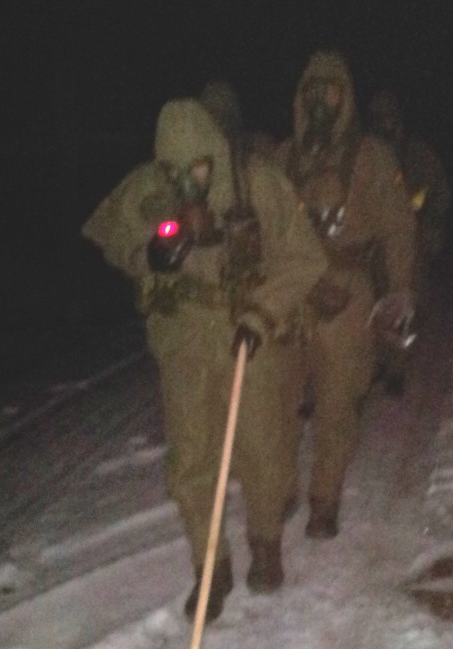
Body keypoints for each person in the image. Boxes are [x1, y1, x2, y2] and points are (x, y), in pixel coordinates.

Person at [81, 98, 326, 622]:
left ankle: (265, 542)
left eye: (197, 168)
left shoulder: (256, 183)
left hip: (249, 331)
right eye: (175, 171)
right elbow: (111, 234)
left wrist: (262, 313)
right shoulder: (149, 188)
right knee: (191, 458)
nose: (188, 181)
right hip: (185, 338)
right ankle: (210, 566)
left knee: (262, 448)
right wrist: (149, 252)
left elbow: (306, 258)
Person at [277, 50, 416, 539]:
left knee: (337, 401)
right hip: (292, 293)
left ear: (346, 97)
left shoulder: (371, 157)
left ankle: (325, 498)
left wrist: (399, 295)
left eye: (330, 91)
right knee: (278, 398)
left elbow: (398, 229)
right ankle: (279, 486)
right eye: (312, 91)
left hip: (347, 291)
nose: (320, 101)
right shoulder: (284, 158)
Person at [368, 88, 451, 309]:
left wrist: (429, 227)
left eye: (388, 116)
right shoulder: (367, 158)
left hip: (414, 239)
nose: (384, 123)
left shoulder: (419, 155)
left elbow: (440, 194)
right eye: (378, 117)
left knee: (411, 301)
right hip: (375, 243)